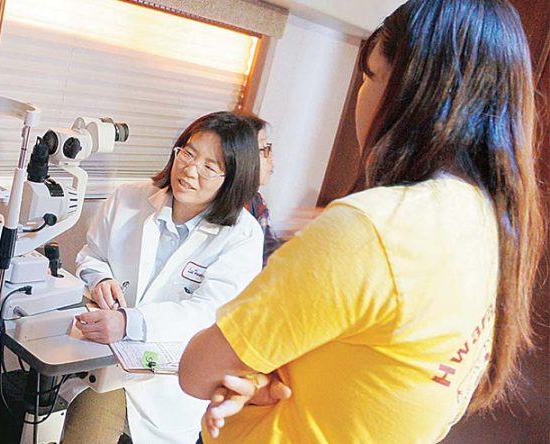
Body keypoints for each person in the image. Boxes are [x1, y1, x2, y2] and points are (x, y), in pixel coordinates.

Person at [178, 0, 544, 442]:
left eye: (369, 75)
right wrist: (260, 378)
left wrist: (257, 373)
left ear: (409, 91)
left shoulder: (370, 229)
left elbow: (198, 372)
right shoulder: (488, 223)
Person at [63, 112, 267, 443]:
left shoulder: (242, 235)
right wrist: (99, 280)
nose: (190, 170)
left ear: (232, 178)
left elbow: (210, 312)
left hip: (171, 382)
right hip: (105, 364)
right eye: (188, 153)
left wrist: (130, 322)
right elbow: (91, 255)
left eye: (209, 166)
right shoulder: (127, 198)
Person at [244, 117, 282, 265]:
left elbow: (269, 253)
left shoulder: (256, 201)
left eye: (269, 148)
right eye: (265, 149)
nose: (271, 159)